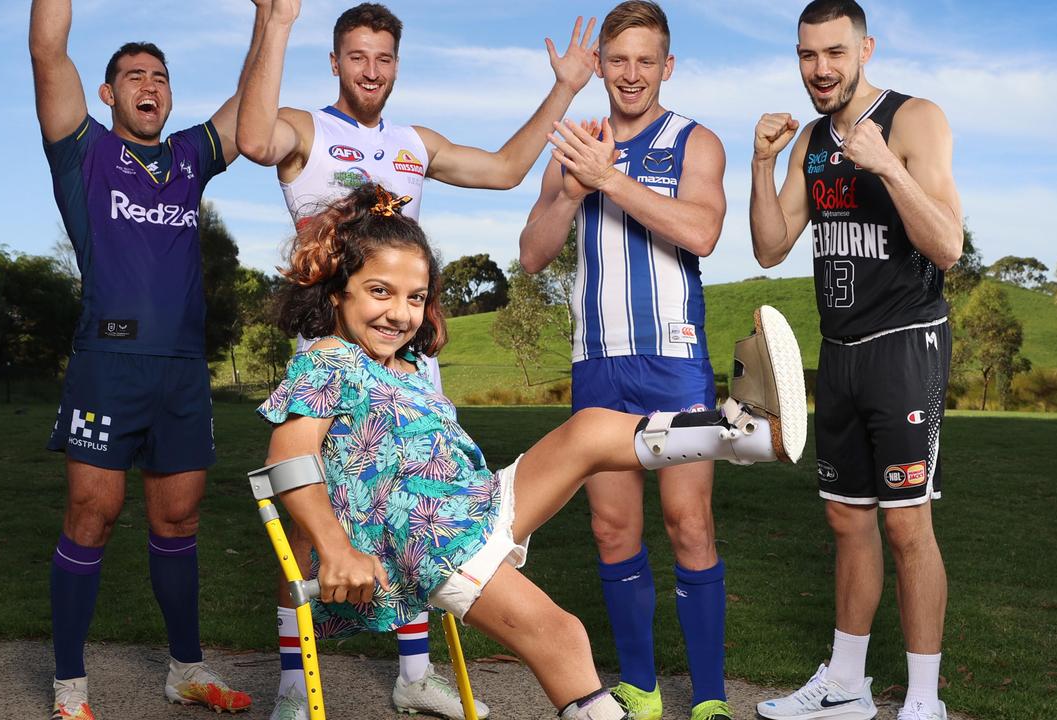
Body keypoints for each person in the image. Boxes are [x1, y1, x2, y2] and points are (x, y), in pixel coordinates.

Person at [255, 182, 803, 720]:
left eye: (416, 297)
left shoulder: (411, 368)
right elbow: (288, 457)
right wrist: (334, 547)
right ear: (336, 292)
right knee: (561, 635)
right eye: (380, 292)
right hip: (424, 538)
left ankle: (744, 433)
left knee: (588, 430)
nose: (400, 313)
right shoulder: (330, 360)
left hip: (472, 503)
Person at [235, 3, 600, 718]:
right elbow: (252, 139)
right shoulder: (306, 130)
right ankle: (290, 689)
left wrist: (565, 88)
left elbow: (502, 170)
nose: (371, 70)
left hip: (408, 365)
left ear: (396, 64)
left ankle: (413, 675)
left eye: (384, 58)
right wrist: (275, 23)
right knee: (312, 533)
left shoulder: (413, 140)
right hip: (340, 363)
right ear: (335, 61)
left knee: (428, 515)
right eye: (357, 56)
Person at [29, 1, 270, 717]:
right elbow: (48, 49)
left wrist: (269, 16)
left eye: (160, 75)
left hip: (181, 370)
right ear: (109, 93)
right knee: (92, 515)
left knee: (179, 521)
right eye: (135, 74)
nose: (150, 84)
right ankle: (70, 683)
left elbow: (249, 103)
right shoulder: (84, 148)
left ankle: (185, 670)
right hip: (109, 361)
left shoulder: (190, 156)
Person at [747, 2, 962, 720]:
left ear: (865, 48)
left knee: (907, 525)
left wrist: (887, 170)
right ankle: (845, 686)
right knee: (848, 522)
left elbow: (948, 247)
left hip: (906, 347)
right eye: (808, 55)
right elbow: (771, 247)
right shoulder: (810, 139)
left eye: (835, 53)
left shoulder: (914, 119)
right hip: (837, 354)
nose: (821, 69)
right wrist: (761, 163)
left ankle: (924, 700)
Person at [517, 3, 730, 719]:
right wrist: (576, 185)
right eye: (618, 60)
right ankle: (640, 688)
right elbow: (533, 251)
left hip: (674, 359)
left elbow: (701, 232)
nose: (631, 74)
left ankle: (708, 699)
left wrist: (610, 183)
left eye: (646, 61)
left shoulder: (695, 141)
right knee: (612, 529)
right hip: (598, 363)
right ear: (601, 66)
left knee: (688, 523)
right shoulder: (578, 143)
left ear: (667, 67)